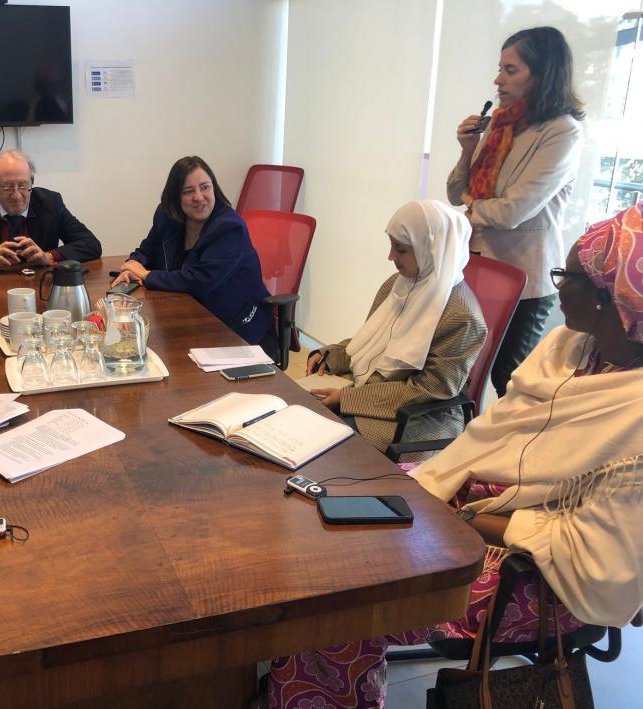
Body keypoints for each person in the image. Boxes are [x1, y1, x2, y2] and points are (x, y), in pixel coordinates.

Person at [267, 203, 643, 709]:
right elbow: (492, 432)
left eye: (566, 276)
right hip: (468, 500)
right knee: (315, 514)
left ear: (610, 298)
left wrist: (458, 516)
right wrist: (438, 493)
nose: (555, 287)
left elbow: (600, 560)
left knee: (338, 601)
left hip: (535, 572)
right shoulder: (569, 349)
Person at [447, 26, 584, 397]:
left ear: (541, 74)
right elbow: (455, 194)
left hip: (524, 277)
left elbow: (512, 212)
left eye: (511, 70)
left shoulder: (561, 132)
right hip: (476, 265)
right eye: (499, 68)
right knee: (462, 368)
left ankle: (515, 452)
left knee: (509, 379)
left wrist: (470, 210)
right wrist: (466, 149)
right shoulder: (499, 124)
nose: (497, 79)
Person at [305, 200, 486, 456]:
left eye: (400, 250)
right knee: (297, 413)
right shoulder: (400, 283)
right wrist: (330, 355)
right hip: (372, 393)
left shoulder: (463, 317)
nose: (391, 257)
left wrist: (348, 399)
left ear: (432, 249)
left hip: (416, 418)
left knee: (319, 443)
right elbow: (371, 341)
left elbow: (431, 390)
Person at [111, 156, 275, 353]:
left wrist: (146, 275)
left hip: (236, 329)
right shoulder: (167, 215)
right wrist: (132, 266)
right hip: (188, 319)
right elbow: (148, 249)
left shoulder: (229, 227)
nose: (199, 196)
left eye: (205, 187)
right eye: (188, 191)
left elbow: (200, 280)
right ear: (175, 197)